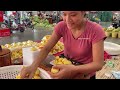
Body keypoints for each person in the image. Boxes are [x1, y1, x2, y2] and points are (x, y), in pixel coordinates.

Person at [20, 11, 106, 79]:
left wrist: (73, 69)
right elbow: (46, 48)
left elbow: (98, 64)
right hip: (66, 68)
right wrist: (33, 66)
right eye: (64, 14)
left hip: (85, 74)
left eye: (73, 15)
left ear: (83, 12)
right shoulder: (61, 26)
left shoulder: (95, 30)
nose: (67, 19)